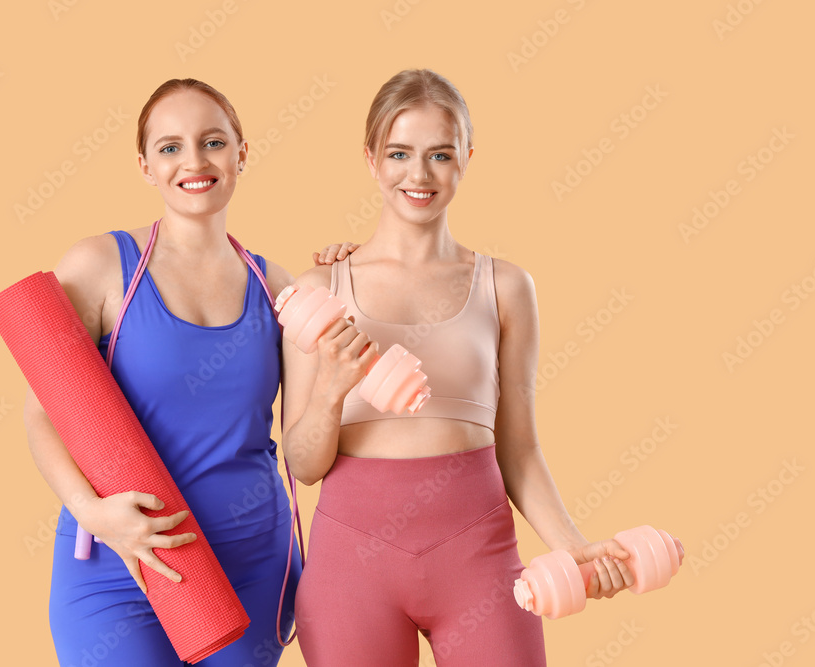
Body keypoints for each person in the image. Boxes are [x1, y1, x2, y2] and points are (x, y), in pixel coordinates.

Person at [282, 69, 683, 666]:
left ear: (467, 157)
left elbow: (518, 447)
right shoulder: (321, 290)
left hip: (477, 559)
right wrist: (331, 392)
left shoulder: (506, 287)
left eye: (439, 155)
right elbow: (302, 464)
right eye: (399, 154)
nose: (418, 176)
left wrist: (572, 547)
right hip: (352, 567)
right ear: (371, 159)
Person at [23, 78, 358, 667]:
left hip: (253, 563)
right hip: (118, 561)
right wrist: (92, 512)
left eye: (213, 142)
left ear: (241, 153)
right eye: (170, 147)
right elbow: (43, 412)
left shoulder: (277, 288)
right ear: (145, 165)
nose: (195, 162)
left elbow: (308, 459)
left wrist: (350, 291)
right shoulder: (101, 266)